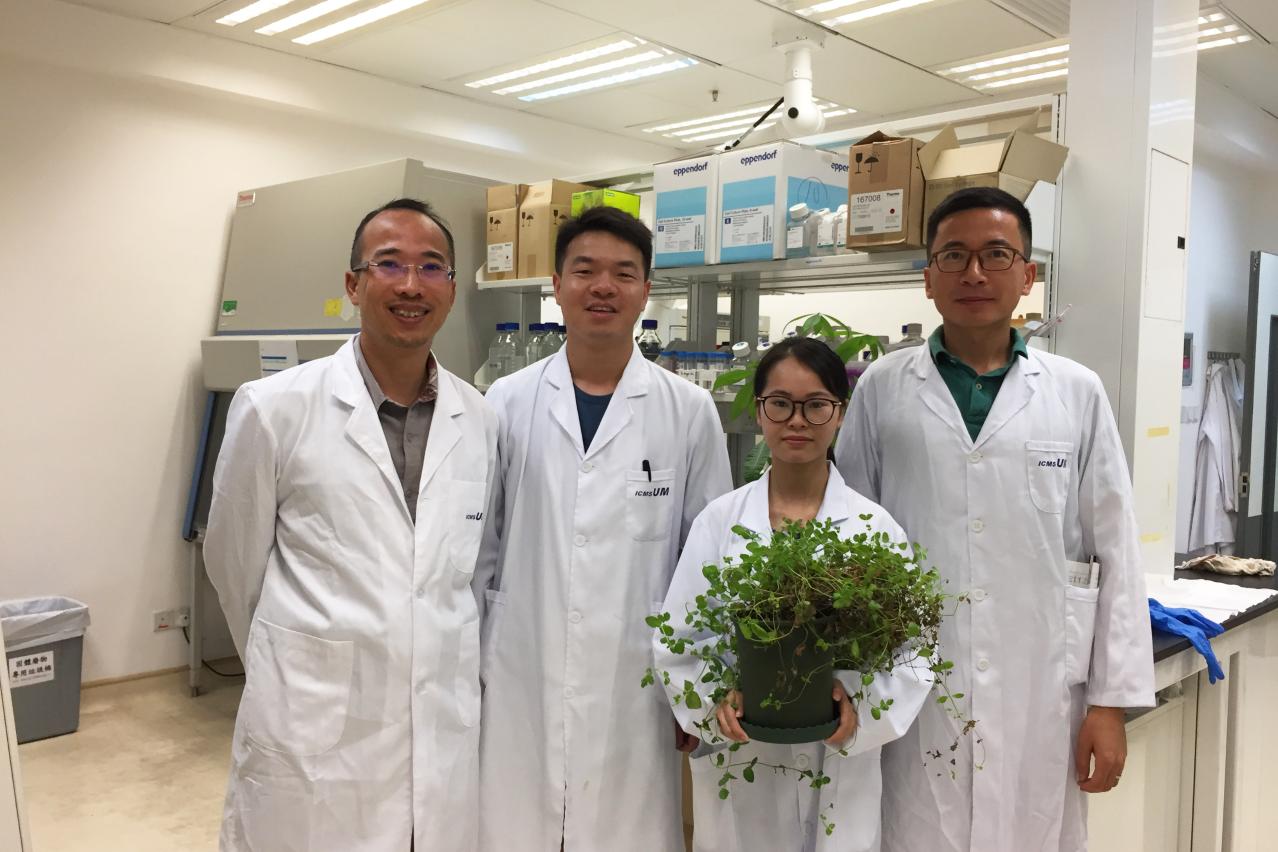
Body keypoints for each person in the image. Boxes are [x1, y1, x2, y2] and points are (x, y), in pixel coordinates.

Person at [835, 187, 1154, 852]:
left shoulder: (1076, 392)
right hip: (912, 679)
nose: (974, 273)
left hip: (1041, 683)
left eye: (996, 255)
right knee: (915, 829)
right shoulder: (882, 389)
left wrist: (1109, 703)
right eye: (953, 255)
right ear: (928, 278)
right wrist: (846, 678)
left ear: (1027, 274)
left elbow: (1116, 549)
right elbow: (850, 541)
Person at [204, 198, 497, 852]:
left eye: (432, 267)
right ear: (353, 285)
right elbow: (233, 566)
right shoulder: (275, 407)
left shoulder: (480, 418)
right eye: (389, 264)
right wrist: (299, 659)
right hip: (312, 726)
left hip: (438, 727)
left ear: (452, 289)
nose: (411, 284)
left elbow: (470, 575)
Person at [473, 206, 733, 852]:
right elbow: (481, 550)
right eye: (585, 270)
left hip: (637, 675)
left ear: (646, 291)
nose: (603, 287)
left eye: (623, 273)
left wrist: (701, 685)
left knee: (628, 828)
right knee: (514, 825)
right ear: (557, 285)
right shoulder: (505, 401)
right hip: (522, 664)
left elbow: (711, 561)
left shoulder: (688, 410)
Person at [655, 337, 934, 852]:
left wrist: (862, 707)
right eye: (780, 404)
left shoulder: (874, 527)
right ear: (759, 411)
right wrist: (715, 701)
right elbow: (680, 638)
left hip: (839, 766)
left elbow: (914, 651)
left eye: (816, 405)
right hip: (746, 762)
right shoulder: (721, 521)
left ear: (840, 414)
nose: (797, 421)